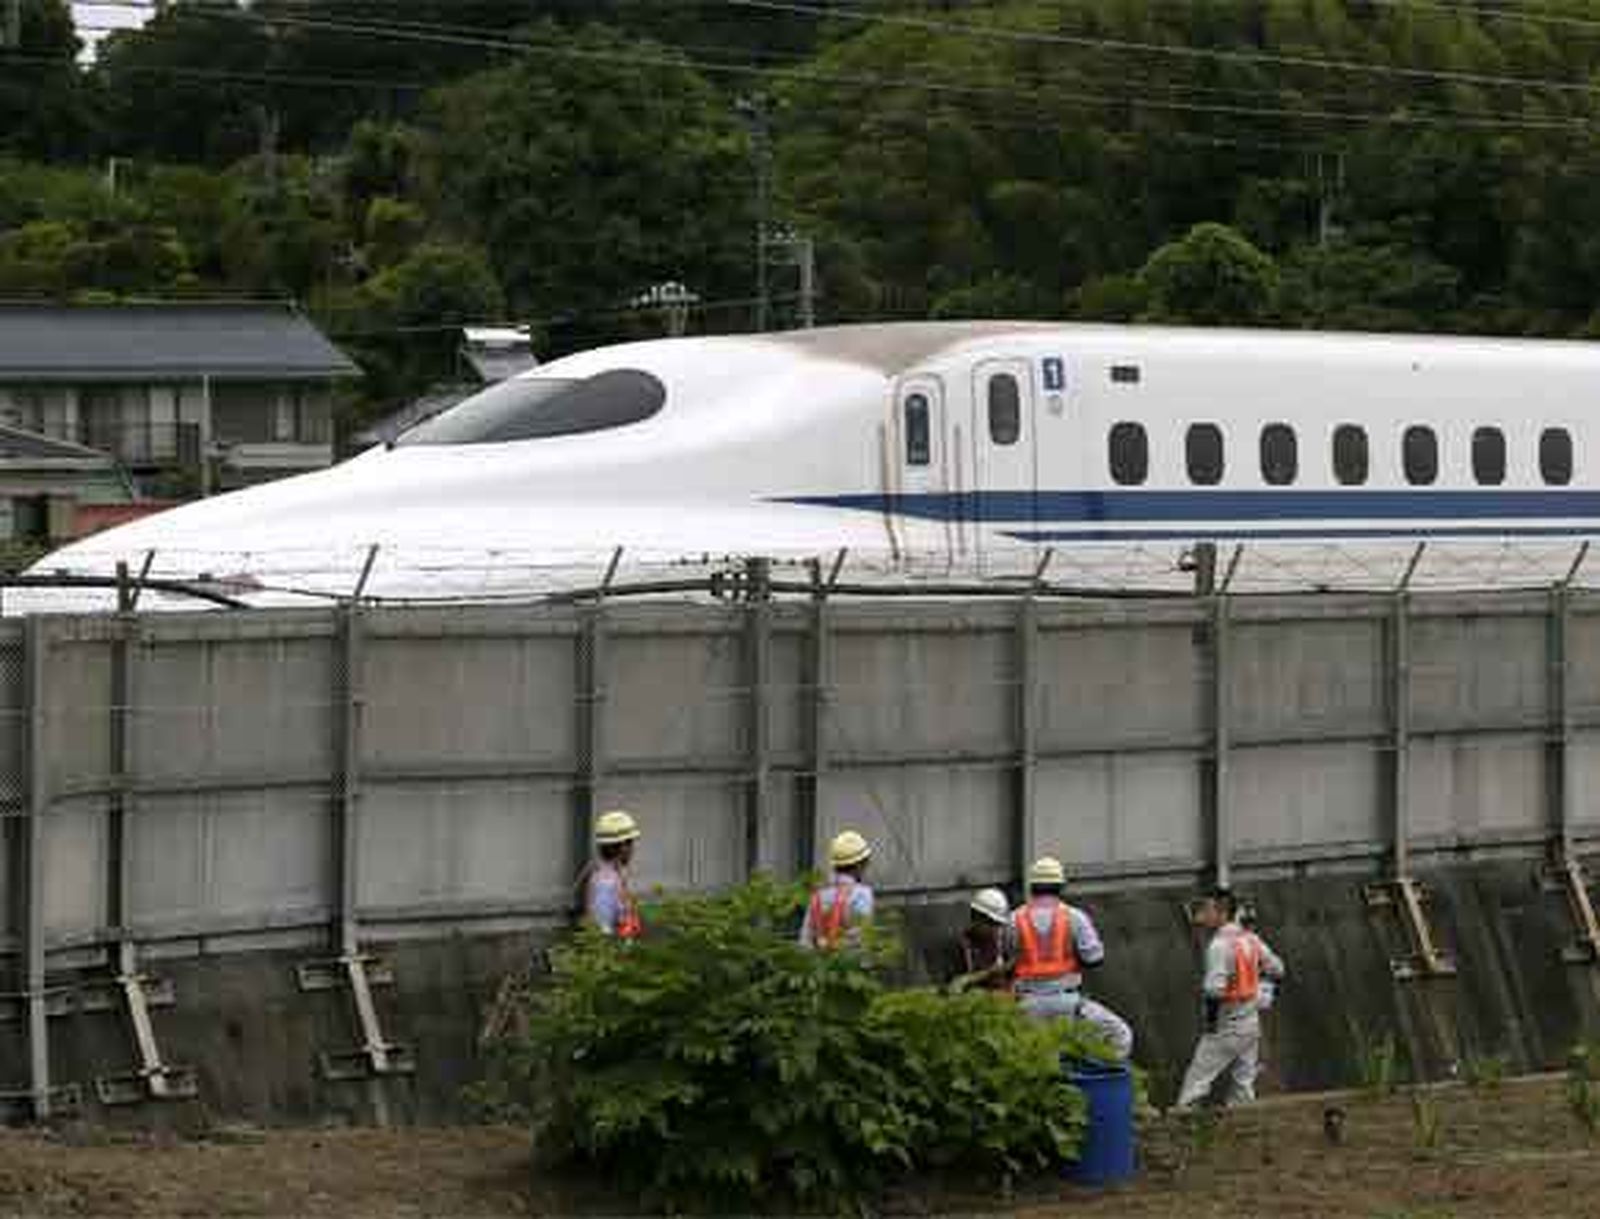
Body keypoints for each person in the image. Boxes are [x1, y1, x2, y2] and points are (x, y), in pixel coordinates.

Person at [1009, 856, 1133, 1059]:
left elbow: (1009, 957)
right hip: (1069, 1003)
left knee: (1035, 1059)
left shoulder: (1014, 919)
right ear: (1060, 887)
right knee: (1121, 1035)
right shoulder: (1075, 917)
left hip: (1027, 1005)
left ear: (1031, 887)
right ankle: (1094, 1079)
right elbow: (1094, 958)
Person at [1173, 887, 1286, 1110]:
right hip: (1251, 1021)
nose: (1202, 915)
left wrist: (1212, 1024)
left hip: (1227, 1023)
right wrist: (1265, 991)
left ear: (1222, 913)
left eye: (1207, 910)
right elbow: (1278, 970)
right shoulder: (1251, 939)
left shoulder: (1219, 946)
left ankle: (1185, 1131)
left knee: (1195, 1084)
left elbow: (1214, 990)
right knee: (1243, 1085)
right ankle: (1246, 1133)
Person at [799, 829, 875, 949]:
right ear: (859, 865)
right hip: (849, 965)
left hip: (818, 965)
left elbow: (805, 942)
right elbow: (862, 939)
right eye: (866, 862)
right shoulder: (862, 894)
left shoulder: (818, 895)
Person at [585, 808, 643, 939]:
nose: (633, 849)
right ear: (622, 846)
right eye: (630, 842)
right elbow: (602, 930)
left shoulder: (615, 875)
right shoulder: (605, 882)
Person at [950, 887, 1011, 993]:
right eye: (992, 924)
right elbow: (955, 985)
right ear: (976, 918)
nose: (996, 929)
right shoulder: (961, 946)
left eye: (998, 925)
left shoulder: (1003, 941)